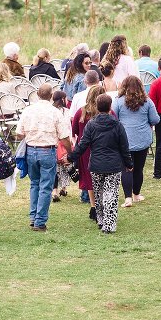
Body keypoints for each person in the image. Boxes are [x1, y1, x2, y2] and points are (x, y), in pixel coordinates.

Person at [67, 94, 133, 234]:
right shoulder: (117, 125)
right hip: (113, 165)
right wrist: (128, 163)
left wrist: (72, 157)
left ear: (97, 107)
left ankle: (101, 219)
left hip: (96, 165)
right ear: (110, 107)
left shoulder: (91, 125)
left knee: (99, 194)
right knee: (111, 194)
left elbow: (82, 144)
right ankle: (109, 224)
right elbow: (124, 147)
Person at [15, 84, 73, 231]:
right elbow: (64, 136)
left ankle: (33, 216)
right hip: (47, 150)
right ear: (51, 95)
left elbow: (19, 133)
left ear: (37, 94)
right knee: (45, 186)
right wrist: (70, 151)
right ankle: (40, 221)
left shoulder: (28, 110)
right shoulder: (55, 112)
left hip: (31, 150)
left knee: (34, 183)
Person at [112, 76, 159, 207]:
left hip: (124, 139)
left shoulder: (118, 101)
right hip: (142, 139)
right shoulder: (147, 102)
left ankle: (128, 198)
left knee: (126, 169)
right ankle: (136, 194)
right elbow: (155, 119)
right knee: (139, 168)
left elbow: (113, 118)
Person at [72, 85, 106, 220]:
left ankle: (94, 206)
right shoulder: (108, 113)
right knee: (103, 178)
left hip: (85, 150)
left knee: (90, 179)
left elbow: (74, 130)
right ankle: (101, 204)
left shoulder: (81, 112)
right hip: (102, 149)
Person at [51, 91, 73, 202]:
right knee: (66, 164)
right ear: (63, 99)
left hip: (54, 142)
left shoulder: (50, 111)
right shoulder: (67, 112)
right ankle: (63, 188)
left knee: (55, 168)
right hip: (65, 141)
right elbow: (70, 128)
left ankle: (54, 191)